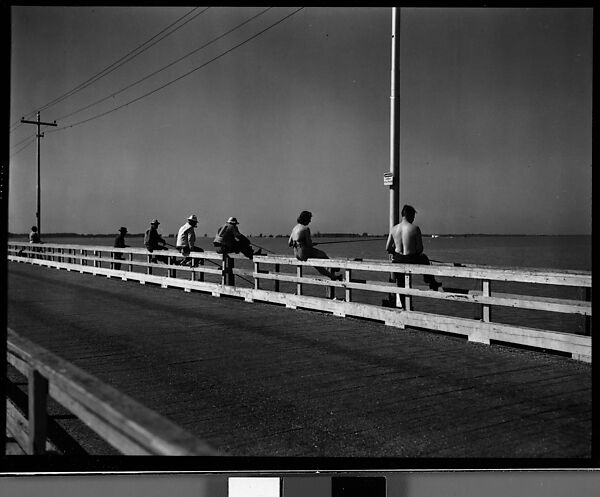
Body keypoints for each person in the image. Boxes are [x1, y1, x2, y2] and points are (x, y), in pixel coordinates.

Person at [386, 204, 443, 295]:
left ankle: (404, 307)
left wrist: (396, 251)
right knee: (424, 258)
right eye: (413, 216)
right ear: (409, 215)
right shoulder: (415, 228)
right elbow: (420, 249)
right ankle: (430, 281)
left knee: (401, 287)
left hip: (397, 261)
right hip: (410, 259)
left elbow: (387, 248)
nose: (413, 219)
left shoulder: (394, 229)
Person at [288, 210, 339, 279]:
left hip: (296, 254)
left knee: (317, 266)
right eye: (309, 219)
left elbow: (289, 243)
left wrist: (297, 243)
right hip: (303, 253)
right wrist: (311, 244)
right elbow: (309, 244)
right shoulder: (306, 229)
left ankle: (332, 276)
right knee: (322, 254)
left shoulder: (295, 228)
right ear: (306, 219)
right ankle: (333, 267)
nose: (310, 221)